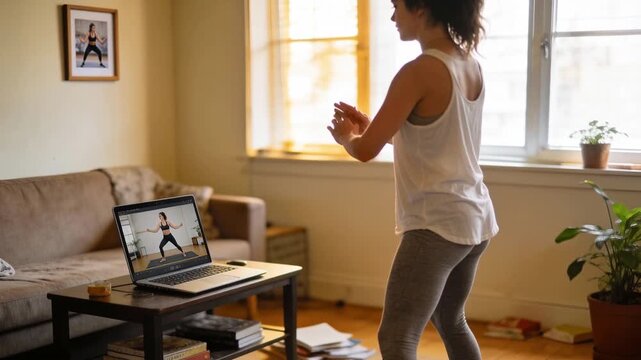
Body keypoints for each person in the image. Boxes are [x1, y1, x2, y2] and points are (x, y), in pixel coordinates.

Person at [327, 0, 498, 359]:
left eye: (395, 6)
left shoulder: (419, 71)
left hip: (435, 226)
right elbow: (429, 137)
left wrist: (346, 136)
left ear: (421, 8)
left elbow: (364, 151)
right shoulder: (469, 64)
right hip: (474, 218)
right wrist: (372, 125)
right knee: (452, 320)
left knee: (397, 336)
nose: (391, 17)